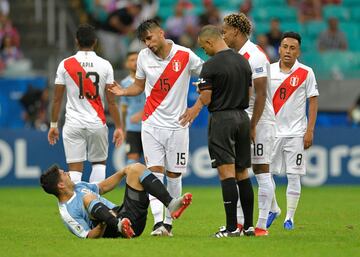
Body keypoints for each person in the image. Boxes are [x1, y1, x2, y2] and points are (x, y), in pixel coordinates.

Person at [108, 19, 203, 236]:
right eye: (143, 41)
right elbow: (139, 86)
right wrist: (123, 92)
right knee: (154, 174)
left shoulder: (185, 55)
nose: (147, 44)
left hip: (178, 125)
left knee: (175, 175)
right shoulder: (143, 57)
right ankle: (160, 223)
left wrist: (197, 104)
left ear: (161, 33)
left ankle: (169, 222)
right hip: (151, 124)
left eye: (149, 38)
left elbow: (207, 74)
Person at [180, 25, 252, 237]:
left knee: (226, 173)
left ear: (210, 42)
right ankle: (248, 226)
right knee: (243, 173)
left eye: (203, 47)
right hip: (242, 117)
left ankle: (231, 228)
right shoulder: (243, 60)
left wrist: (195, 106)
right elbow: (248, 92)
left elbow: (207, 97)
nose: (204, 51)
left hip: (222, 119)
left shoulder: (210, 66)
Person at [47, 24, 124, 184]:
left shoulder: (65, 64)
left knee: (74, 170)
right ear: (95, 42)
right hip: (97, 123)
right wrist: (118, 127)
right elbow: (112, 101)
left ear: (76, 41)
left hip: (73, 123)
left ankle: (75, 207)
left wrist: (53, 124)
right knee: (99, 165)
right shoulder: (105, 65)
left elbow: (56, 99)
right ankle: (94, 204)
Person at [222, 13, 275, 236]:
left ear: (236, 30)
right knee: (240, 171)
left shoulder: (255, 56)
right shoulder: (237, 55)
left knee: (261, 170)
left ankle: (261, 225)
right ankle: (243, 223)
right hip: (242, 120)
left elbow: (261, 94)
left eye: (224, 31)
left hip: (259, 121)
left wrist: (253, 125)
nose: (222, 35)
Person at [40, 163, 192, 239]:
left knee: (136, 168)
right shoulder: (67, 212)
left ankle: (171, 204)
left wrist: (123, 172)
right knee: (88, 198)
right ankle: (119, 225)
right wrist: (103, 222)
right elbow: (88, 236)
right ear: (60, 185)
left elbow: (104, 186)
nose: (67, 173)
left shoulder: (80, 186)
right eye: (63, 174)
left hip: (128, 218)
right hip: (111, 229)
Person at [267, 32, 319, 230]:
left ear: (298, 51)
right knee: (264, 174)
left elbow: (313, 100)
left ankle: (289, 217)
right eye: (285, 47)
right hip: (272, 131)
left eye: (292, 48)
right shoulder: (268, 71)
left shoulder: (306, 72)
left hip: (296, 133)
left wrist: (310, 131)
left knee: (294, 175)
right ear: (279, 49)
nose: (288, 51)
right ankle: (273, 209)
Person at [120, 51, 146, 165]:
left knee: (151, 161)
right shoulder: (124, 83)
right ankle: (132, 183)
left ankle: (150, 183)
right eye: (132, 60)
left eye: (137, 59)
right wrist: (123, 128)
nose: (135, 62)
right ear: (126, 64)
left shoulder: (149, 79)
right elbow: (124, 108)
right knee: (132, 160)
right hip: (132, 128)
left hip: (149, 126)